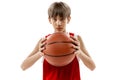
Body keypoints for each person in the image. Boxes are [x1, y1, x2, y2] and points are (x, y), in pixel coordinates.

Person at [21, 1, 96, 80]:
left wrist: (79, 53)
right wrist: (40, 53)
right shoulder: (44, 41)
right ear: (49, 20)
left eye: (62, 19)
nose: (58, 23)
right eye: (55, 19)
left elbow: (92, 67)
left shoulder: (75, 39)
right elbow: (23, 66)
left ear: (68, 19)